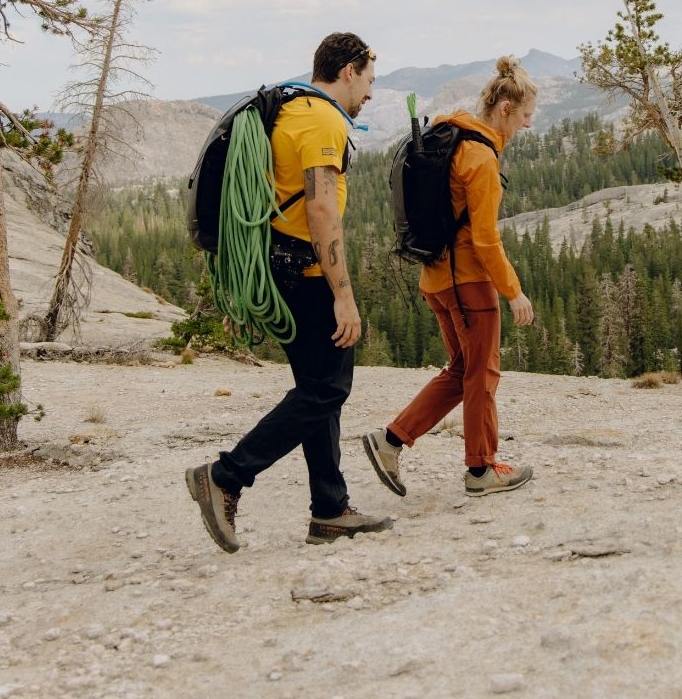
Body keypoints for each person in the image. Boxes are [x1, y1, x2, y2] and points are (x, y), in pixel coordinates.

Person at [186, 32, 393, 551]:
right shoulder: (322, 119)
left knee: (318, 390)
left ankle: (329, 509)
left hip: (281, 267)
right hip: (308, 274)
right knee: (327, 390)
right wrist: (343, 294)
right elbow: (321, 210)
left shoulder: (292, 108)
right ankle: (227, 476)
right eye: (369, 80)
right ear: (348, 71)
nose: (369, 92)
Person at [363, 55, 537, 498]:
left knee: (462, 370)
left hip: (436, 280)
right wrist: (512, 292)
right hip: (469, 287)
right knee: (481, 374)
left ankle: (391, 441)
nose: (526, 126)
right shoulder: (481, 159)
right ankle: (481, 470)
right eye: (524, 117)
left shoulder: (452, 134)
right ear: (504, 111)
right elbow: (484, 240)